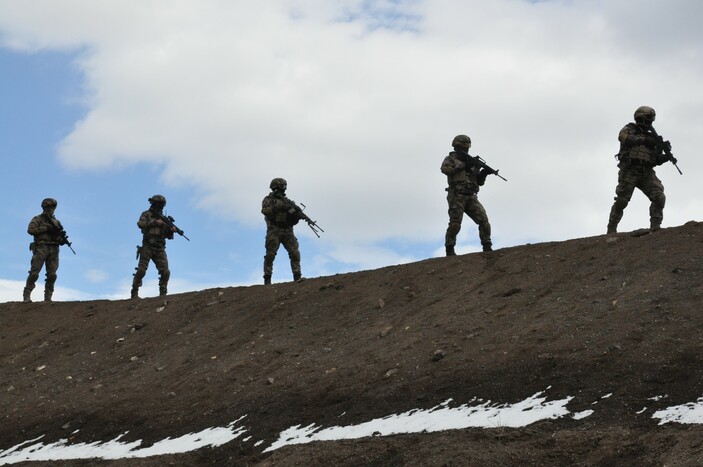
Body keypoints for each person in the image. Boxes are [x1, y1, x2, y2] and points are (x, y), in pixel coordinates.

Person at [607, 106, 674, 234]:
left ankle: (655, 226)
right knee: (622, 200)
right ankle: (611, 228)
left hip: (646, 172)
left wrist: (665, 156)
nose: (650, 122)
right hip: (629, 170)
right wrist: (644, 140)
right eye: (648, 118)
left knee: (659, 196)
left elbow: (654, 160)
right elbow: (624, 137)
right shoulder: (629, 129)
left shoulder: (652, 137)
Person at [441, 134, 493, 256]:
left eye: (466, 148)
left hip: (471, 195)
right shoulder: (450, 159)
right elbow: (446, 170)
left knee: (484, 221)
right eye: (462, 148)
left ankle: (487, 246)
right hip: (457, 195)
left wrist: (484, 173)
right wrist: (464, 165)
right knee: (455, 223)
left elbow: (479, 181)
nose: (465, 150)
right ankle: (450, 248)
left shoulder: (472, 162)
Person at [130, 195, 177, 299]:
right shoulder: (146, 214)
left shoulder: (164, 219)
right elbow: (140, 224)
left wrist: (171, 230)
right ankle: (134, 290)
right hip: (147, 246)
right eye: (158, 204)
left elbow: (168, 236)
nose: (160, 206)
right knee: (141, 270)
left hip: (160, 248)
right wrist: (155, 222)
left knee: (165, 272)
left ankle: (163, 293)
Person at [261, 178, 305, 284]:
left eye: (285, 186)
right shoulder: (269, 199)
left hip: (288, 230)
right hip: (274, 230)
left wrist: (296, 215)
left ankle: (297, 276)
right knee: (270, 254)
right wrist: (280, 207)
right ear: (275, 187)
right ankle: (267, 278)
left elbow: (293, 221)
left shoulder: (289, 202)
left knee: (295, 253)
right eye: (282, 186)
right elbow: (265, 211)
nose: (284, 188)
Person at [23, 198, 67, 302]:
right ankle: (27, 295)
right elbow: (30, 230)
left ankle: (48, 297)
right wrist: (45, 228)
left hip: (54, 248)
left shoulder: (57, 223)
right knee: (34, 272)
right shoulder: (38, 219)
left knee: (52, 274)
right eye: (47, 207)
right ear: (43, 207)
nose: (50, 209)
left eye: (52, 207)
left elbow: (59, 236)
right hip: (41, 247)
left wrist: (61, 240)